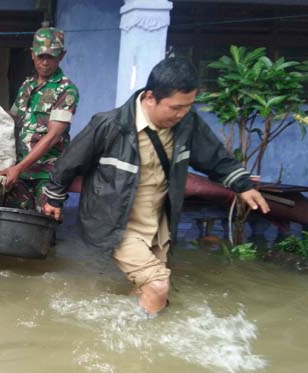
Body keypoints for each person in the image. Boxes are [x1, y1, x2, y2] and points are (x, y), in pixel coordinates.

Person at [42, 57, 270, 315]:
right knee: (158, 285)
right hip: (118, 223)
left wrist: (242, 185)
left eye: (188, 106)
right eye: (175, 107)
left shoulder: (187, 124)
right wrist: (54, 199)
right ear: (150, 97)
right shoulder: (110, 125)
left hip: (159, 225)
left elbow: (214, 157)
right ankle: (145, 350)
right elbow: (68, 163)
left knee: (146, 290)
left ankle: (124, 333)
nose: (182, 113)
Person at [0, 27, 79, 211]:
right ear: (32, 54)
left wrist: (18, 168)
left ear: (62, 56)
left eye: (51, 56)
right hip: (19, 172)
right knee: (13, 226)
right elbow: (12, 120)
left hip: (47, 175)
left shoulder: (66, 90)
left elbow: (52, 137)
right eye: (41, 56)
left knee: (43, 227)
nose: (45, 62)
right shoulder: (27, 85)